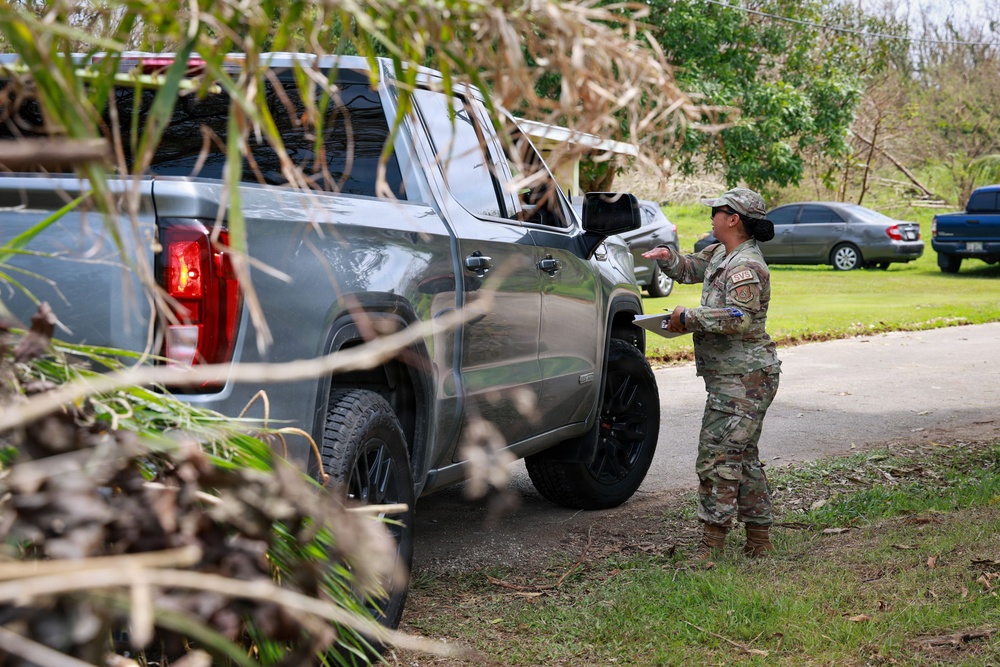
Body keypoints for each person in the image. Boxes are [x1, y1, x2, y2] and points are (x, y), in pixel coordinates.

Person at [642, 187, 780, 559]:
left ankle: (711, 544)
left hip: (744, 379)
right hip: (732, 377)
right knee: (742, 457)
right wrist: (668, 258)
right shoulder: (722, 252)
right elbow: (691, 269)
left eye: (717, 210)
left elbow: (739, 317)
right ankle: (759, 541)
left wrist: (689, 317)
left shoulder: (747, 266)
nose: (711, 216)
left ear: (733, 219)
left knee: (717, 458)